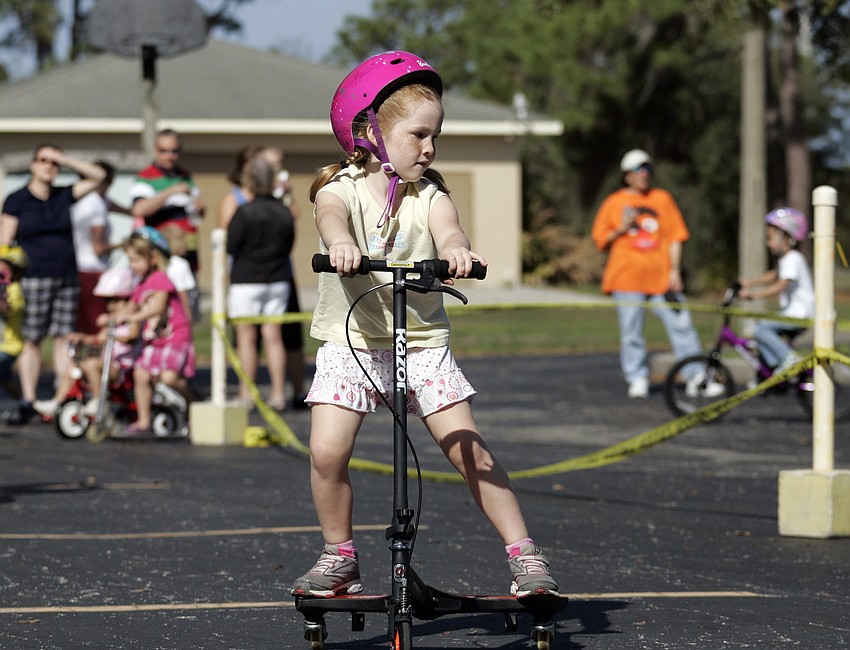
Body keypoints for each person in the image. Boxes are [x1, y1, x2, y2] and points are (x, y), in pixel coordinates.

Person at [289, 51, 559, 600]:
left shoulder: (429, 193)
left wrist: (457, 251)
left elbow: (449, 230)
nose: (429, 148)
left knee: (470, 450)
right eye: (417, 135)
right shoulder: (338, 188)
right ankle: (338, 555)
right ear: (369, 131)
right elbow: (329, 216)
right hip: (352, 342)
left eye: (435, 136)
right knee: (325, 452)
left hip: (422, 344)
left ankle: (525, 557)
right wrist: (340, 243)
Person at [591, 148, 712, 399]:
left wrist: (675, 271)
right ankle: (637, 378)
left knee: (682, 327)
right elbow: (601, 240)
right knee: (631, 331)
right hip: (627, 279)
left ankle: (696, 377)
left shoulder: (662, 199)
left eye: (647, 169)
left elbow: (675, 237)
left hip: (662, 279)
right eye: (638, 169)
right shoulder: (613, 203)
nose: (644, 174)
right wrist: (622, 228)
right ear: (626, 175)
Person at [0, 144, 106, 422]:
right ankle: (29, 399)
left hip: (66, 276)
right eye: (43, 160)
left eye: (53, 162)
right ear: (33, 165)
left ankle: (61, 397)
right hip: (32, 278)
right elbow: (4, 243)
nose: (48, 166)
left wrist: (65, 158)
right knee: (32, 339)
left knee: (63, 338)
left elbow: (97, 177)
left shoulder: (63, 195)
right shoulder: (17, 200)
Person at [218, 145, 308, 408]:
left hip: (247, 279)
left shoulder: (244, 211)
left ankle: (247, 393)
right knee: (274, 336)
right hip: (278, 278)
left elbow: (231, 244)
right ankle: (278, 393)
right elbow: (289, 241)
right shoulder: (283, 211)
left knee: (246, 338)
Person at [111, 229, 195, 435]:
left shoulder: (160, 278)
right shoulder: (141, 284)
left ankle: (193, 406)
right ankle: (143, 420)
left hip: (175, 336)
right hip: (156, 339)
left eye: (137, 260)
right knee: (141, 374)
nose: (132, 265)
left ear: (153, 258)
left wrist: (131, 318)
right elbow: (131, 306)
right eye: (130, 261)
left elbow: (157, 307)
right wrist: (112, 317)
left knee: (169, 379)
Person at [32, 266, 141, 418]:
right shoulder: (112, 323)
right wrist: (80, 337)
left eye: (116, 301)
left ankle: (98, 401)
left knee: (90, 363)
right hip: (105, 363)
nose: (111, 306)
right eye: (108, 302)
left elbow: (133, 336)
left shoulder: (131, 320)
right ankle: (57, 401)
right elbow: (97, 339)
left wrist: (114, 333)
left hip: (122, 368)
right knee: (73, 366)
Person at [738, 208, 814, 371]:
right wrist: (750, 283)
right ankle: (773, 371)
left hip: (799, 315)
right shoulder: (787, 260)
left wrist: (753, 295)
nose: (768, 243)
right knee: (761, 327)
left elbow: (781, 284)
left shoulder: (794, 259)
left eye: (770, 238)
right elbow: (774, 275)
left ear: (784, 237)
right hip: (793, 313)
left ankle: (788, 359)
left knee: (760, 328)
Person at [129, 129, 206, 271]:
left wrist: (200, 208)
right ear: (155, 150)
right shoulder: (146, 176)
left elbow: (197, 215)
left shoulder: (185, 176)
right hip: (163, 252)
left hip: (188, 248)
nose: (169, 156)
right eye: (164, 151)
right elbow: (138, 210)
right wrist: (169, 192)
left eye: (174, 151)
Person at [72, 160, 128, 335]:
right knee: (94, 327)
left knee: (81, 325)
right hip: (92, 272)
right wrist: (122, 245)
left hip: (79, 269)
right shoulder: (95, 205)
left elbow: (119, 207)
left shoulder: (84, 200)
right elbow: (99, 247)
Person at [0, 246, 28, 424]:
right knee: (4, 380)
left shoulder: (14, 290)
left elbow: (7, 309)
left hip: (8, 346)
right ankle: (26, 404)